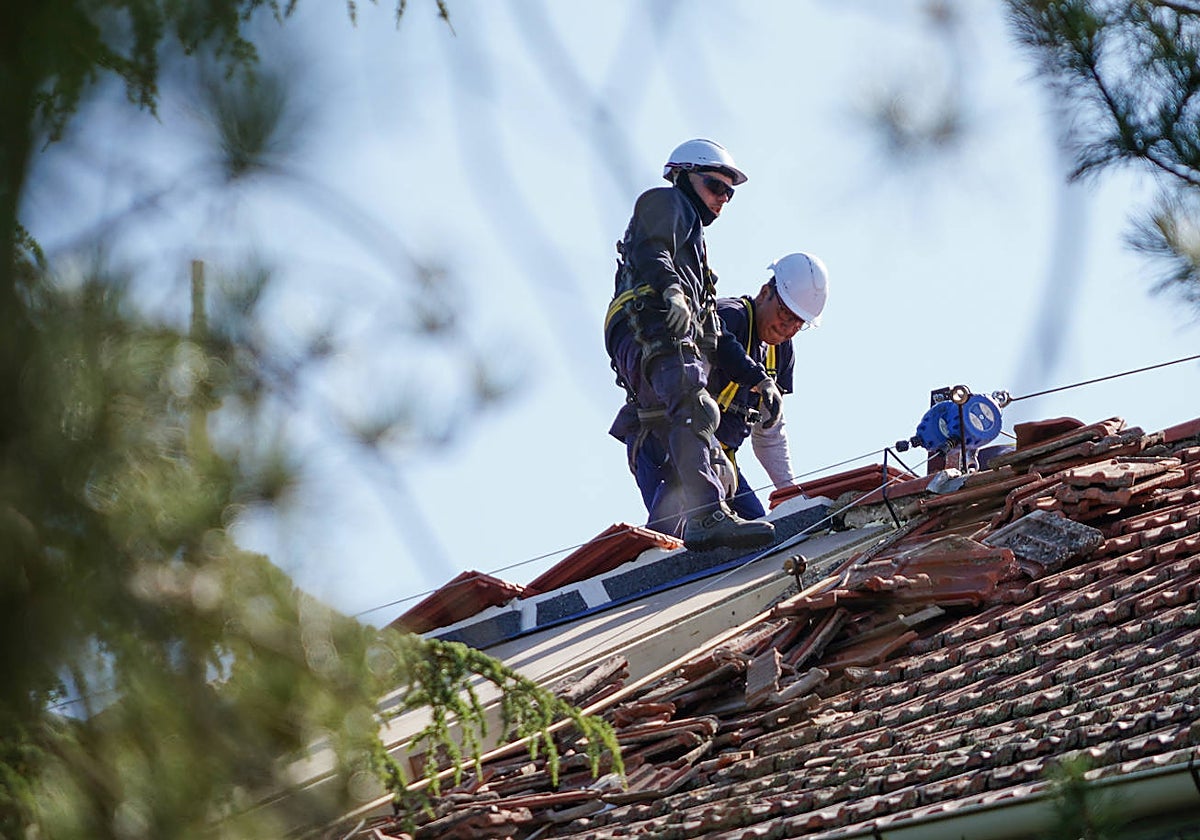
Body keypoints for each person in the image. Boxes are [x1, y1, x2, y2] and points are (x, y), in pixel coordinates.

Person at [604, 139, 779, 551]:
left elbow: (717, 336)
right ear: (682, 176)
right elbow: (651, 248)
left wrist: (758, 379)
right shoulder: (666, 203)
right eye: (714, 186)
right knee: (693, 402)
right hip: (650, 323)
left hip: (660, 330)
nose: (722, 199)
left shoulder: (695, 256)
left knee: (690, 431)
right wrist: (671, 291)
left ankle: (671, 537)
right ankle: (707, 517)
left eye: (729, 194)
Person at [616, 253, 829, 537]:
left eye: (798, 323)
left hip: (717, 458)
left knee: (763, 535)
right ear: (765, 293)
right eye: (785, 315)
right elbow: (684, 393)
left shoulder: (780, 353)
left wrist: (790, 495)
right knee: (680, 533)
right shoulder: (728, 319)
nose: (788, 328)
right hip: (666, 439)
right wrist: (712, 454)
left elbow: (769, 434)